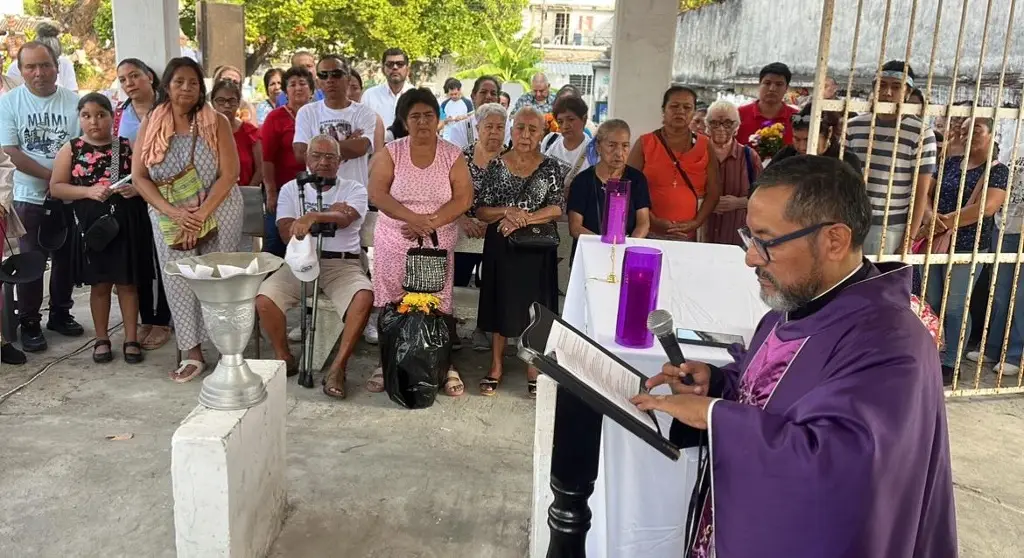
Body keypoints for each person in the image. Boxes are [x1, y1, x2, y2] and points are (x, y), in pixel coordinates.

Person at [632, 155, 957, 558]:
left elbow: (840, 468)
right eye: (748, 238)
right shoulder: (790, 308)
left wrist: (713, 415)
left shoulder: (891, 344)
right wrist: (718, 386)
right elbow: (773, 393)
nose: (750, 257)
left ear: (833, 240)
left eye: (765, 241)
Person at [131, 57, 245, 383]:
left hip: (217, 209)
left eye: (193, 82)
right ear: (166, 86)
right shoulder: (151, 121)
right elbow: (140, 178)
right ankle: (192, 353)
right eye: (179, 81)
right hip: (170, 214)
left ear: (201, 88)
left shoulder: (217, 121)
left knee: (220, 281)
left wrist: (201, 213)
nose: (186, 88)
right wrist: (175, 213)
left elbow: (230, 174)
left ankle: (227, 350)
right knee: (179, 282)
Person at [367, 87, 474, 396]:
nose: (423, 122)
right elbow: (378, 193)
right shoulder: (392, 151)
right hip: (394, 238)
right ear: (404, 120)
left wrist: (429, 223)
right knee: (392, 303)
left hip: (436, 240)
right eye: (415, 116)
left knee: (438, 303)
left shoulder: (452, 153)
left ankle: (443, 364)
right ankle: (386, 361)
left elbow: (464, 197)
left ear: (438, 118)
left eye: (429, 115)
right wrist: (411, 219)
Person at [256, 135, 373, 398]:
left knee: (363, 297)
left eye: (330, 157)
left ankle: (338, 368)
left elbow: (345, 218)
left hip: (342, 263)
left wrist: (313, 217)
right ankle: (284, 356)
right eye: (317, 156)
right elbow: (287, 231)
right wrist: (326, 215)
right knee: (265, 298)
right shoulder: (290, 188)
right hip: (301, 259)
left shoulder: (355, 188)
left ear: (340, 161)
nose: (323, 162)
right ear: (307, 159)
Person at [49, 93, 153, 364]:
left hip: (124, 223)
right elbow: (57, 187)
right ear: (79, 118)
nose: (94, 121)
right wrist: (88, 192)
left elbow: (145, 181)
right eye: (86, 115)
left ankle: (131, 338)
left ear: (111, 116)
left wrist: (135, 189)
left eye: (100, 114)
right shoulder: (71, 148)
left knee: (128, 284)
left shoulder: (125, 147)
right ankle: (101, 338)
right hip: (92, 228)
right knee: (100, 285)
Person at [475, 106, 569, 397]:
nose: (525, 135)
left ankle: (533, 367)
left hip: (536, 249)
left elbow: (556, 208)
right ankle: (496, 366)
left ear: (542, 133)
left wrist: (524, 218)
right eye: (520, 128)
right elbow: (481, 210)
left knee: (536, 309)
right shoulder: (496, 165)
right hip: (501, 249)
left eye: (532, 129)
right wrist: (509, 211)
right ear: (511, 130)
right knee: (500, 304)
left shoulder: (551, 166)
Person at [0, 41, 83, 352]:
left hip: (67, 199)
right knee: (32, 261)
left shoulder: (73, 102)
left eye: (45, 65)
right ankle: (30, 321)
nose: (39, 73)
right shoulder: (9, 104)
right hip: (27, 197)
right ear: (21, 71)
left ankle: (61, 312)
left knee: (66, 259)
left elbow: (81, 147)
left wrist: (64, 186)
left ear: (56, 66)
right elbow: (10, 152)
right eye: (30, 67)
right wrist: (53, 178)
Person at [918, 117, 1007, 385]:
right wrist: (930, 216)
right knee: (931, 300)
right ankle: (931, 354)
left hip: (968, 245)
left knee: (956, 305)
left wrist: (940, 222)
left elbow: (986, 208)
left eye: (977, 131)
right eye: (965, 130)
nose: (969, 136)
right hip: (935, 241)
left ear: (991, 135)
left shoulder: (997, 170)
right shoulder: (948, 163)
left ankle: (951, 362)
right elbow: (926, 193)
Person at [112, 58, 174, 350]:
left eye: (134, 76)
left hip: (164, 195)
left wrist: (146, 188)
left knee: (164, 259)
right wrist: (120, 187)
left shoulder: (171, 108)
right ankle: (146, 318)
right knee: (140, 260)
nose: (129, 83)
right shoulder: (118, 115)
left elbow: (176, 158)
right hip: (130, 198)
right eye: (123, 80)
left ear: (150, 76)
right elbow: (116, 160)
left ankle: (163, 320)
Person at [846, 60, 938, 256]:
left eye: (896, 87)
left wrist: (908, 239)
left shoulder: (921, 133)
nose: (887, 92)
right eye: (882, 85)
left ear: (908, 92)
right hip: (849, 221)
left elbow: (920, 192)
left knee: (881, 284)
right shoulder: (853, 126)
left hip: (890, 228)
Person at [627, 85, 721, 242]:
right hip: (647, 231)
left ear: (694, 112)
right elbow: (628, 187)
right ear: (664, 110)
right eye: (674, 106)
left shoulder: (705, 145)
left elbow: (714, 191)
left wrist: (696, 222)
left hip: (688, 235)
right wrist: (651, 220)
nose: (680, 111)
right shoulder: (646, 143)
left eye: (687, 107)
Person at [459, 102, 507, 350]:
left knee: (491, 278)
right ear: (477, 128)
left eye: (500, 127)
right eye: (489, 126)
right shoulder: (461, 157)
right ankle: (451, 327)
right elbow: (448, 194)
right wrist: (462, 219)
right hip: (464, 226)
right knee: (457, 272)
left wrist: (492, 222)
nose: (494, 132)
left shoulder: (512, 158)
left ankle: (483, 328)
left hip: (496, 230)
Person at [566, 118, 650, 255]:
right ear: (599, 147)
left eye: (625, 146)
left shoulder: (637, 179)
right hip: (590, 253)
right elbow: (575, 227)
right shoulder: (582, 181)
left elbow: (643, 223)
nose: (619, 152)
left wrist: (628, 247)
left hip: (626, 252)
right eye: (612, 145)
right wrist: (604, 245)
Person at [293, 55, 378, 188]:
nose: (330, 80)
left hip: (353, 191)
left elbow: (361, 148)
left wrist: (315, 150)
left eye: (336, 74)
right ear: (317, 82)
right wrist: (348, 142)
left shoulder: (365, 112)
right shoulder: (307, 112)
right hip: (318, 192)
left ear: (348, 78)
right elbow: (300, 153)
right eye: (323, 75)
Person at [261, 66, 314, 258]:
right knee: (276, 242)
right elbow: (267, 158)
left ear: (312, 90)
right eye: (292, 84)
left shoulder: (318, 115)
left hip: (313, 190)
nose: (298, 88)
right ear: (286, 91)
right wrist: (271, 192)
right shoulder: (275, 117)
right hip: (282, 190)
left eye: (303, 84)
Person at [702, 100, 761, 246]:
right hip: (701, 236)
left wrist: (739, 202)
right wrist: (706, 203)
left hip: (736, 240)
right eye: (714, 123)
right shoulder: (697, 155)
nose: (721, 128)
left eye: (728, 123)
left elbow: (764, 197)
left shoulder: (749, 157)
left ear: (737, 127)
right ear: (706, 126)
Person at [770, 104, 863, 173]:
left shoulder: (846, 160)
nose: (801, 147)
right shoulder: (787, 154)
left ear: (829, 132)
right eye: (796, 139)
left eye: (808, 140)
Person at [211, 80, 262, 188]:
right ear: (212, 103)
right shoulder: (204, 132)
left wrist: (247, 192)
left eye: (232, 101)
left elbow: (260, 169)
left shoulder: (250, 133)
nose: (226, 105)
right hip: (210, 197)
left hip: (245, 194)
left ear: (238, 103)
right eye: (221, 100)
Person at [736, 62, 799, 147]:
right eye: (767, 83)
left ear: (786, 88)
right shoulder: (739, 115)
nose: (772, 89)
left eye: (779, 84)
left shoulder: (797, 118)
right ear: (759, 84)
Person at [542, 95, 596, 191]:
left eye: (571, 119)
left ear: (584, 119)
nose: (565, 126)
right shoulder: (550, 140)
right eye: (560, 121)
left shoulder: (593, 151)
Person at [6, 23, 78, 92]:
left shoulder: (65, 63)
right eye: (31, 67)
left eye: (48, 65)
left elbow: (72, 93)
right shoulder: (14, 68)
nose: (39, 73)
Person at [361, 48, 415, 129]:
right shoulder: (369, 96)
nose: (395, 67)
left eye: (400, 64)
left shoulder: (416, 96)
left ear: (407, 70)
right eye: (390, 64)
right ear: (383, 70)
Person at [448, 76, 503, 150]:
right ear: (473, 96)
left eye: (493, 93)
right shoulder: (459, 129)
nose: (488, 96)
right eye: (483, 92)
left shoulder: (506, 128)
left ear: (498, 100)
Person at [348, 68, 386, 151]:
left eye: (354, 88)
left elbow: (378, 154)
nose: (349, 93)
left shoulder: (373, 118)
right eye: (345, 88)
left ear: (361, 90)